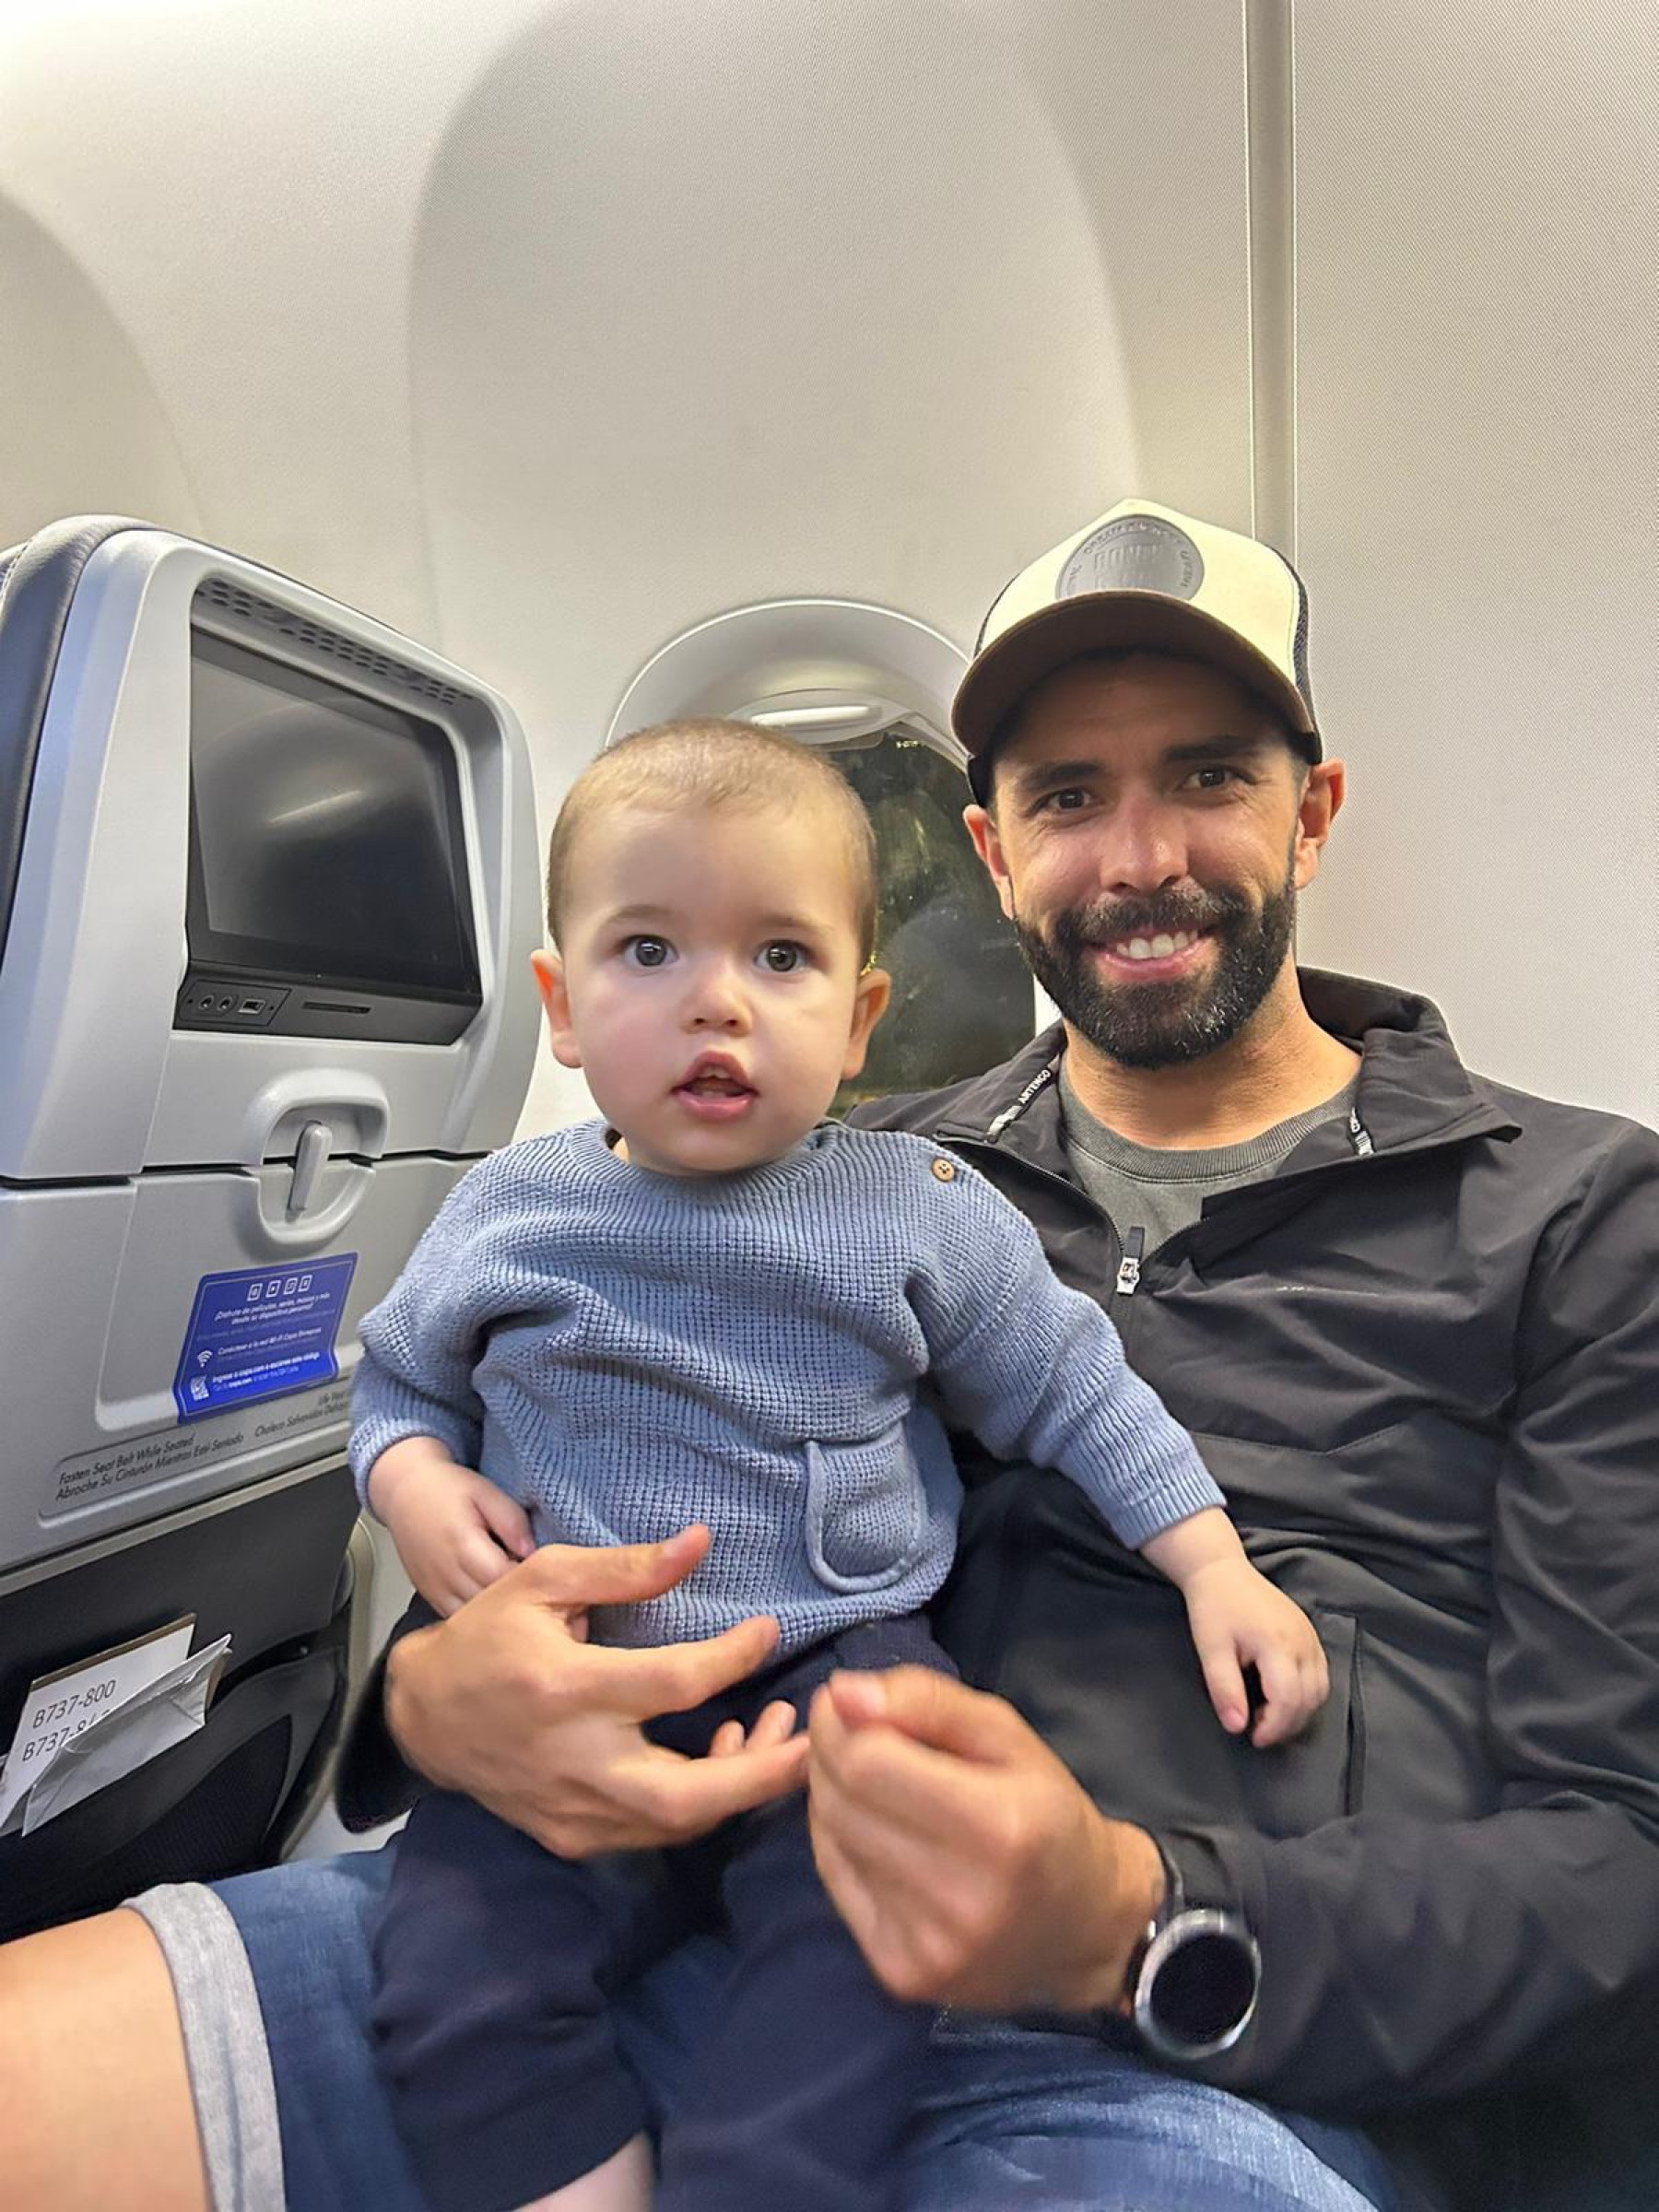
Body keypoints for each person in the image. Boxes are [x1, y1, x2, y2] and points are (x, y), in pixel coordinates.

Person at [3, 498, 1655, 2212]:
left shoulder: (1575, 1216)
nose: (1137, 855)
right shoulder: (842, 1168)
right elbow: (569, 1453)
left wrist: (1135, 1915)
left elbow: (1627, 1855)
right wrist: (434, 1701)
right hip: (626, 1897)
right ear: (994, 852)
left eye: (1209, 776)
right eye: (1067, 797)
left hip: (1175, 2059)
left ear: (1310, 813)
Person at [356, 715, 1324, 2212]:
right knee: (455, 1982)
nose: (717, 1004)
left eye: (782, 957)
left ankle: (763, 2180)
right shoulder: (507, 1213)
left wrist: (1211, 1564)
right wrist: (413, 1481)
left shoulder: (915, 1206)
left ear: (862, 1018)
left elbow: (1074, 1388)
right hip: (577, 1675)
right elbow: (398, 1386)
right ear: (560, 1005)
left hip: (837, 1668)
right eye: (648, 952)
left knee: (866, 1939)